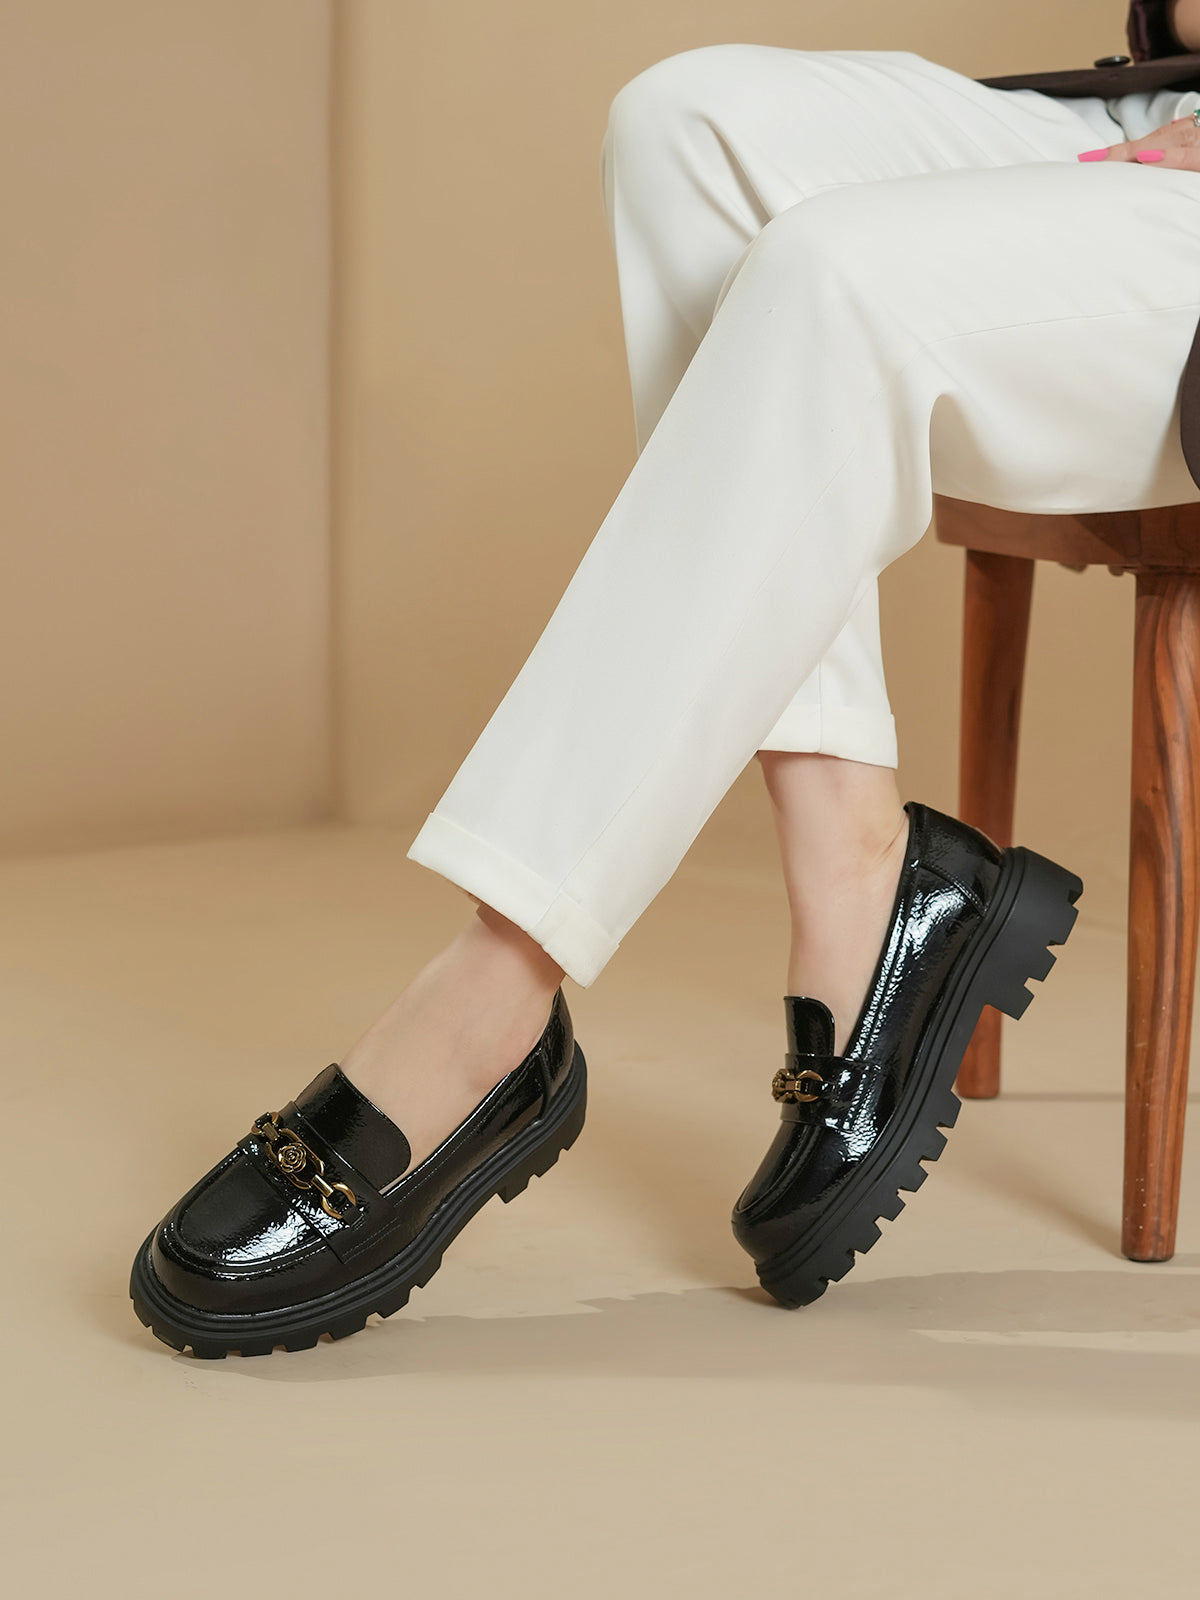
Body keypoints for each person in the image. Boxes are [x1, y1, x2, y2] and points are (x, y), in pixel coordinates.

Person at [130, 10, 1200, 1356]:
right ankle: (855, 865)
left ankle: (493, 992)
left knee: (830, 272)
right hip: (1155, 108)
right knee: (685, 127)